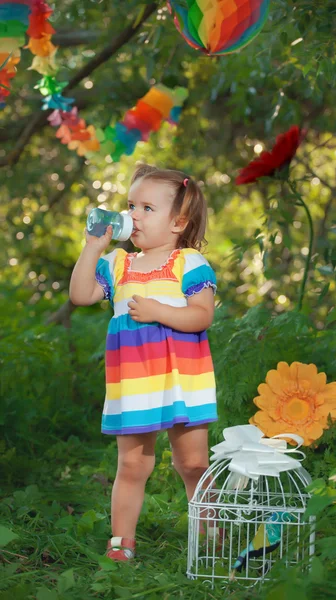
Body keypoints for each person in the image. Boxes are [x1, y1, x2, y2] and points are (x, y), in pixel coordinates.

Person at [69, 164, 218, 562]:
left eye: (147, 208)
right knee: (132, 463)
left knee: (193, 462)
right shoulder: (119, 265)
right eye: (130, 204)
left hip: (183, 379)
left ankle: (210, 538)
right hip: (134, 382)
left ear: (178, 222)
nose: (133, 214)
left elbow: (201, 316)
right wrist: (92, 248)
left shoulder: (189, 263)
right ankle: (122, 544)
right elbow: (81, 295)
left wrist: (158, 311)